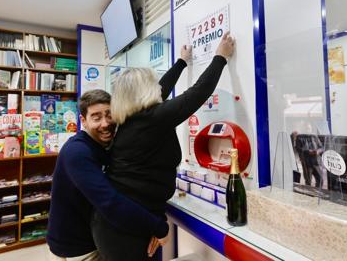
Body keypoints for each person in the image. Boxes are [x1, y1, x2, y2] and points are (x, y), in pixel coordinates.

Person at [91, 32, 235, 260]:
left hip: (120, 221)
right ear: (143, 93)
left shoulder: (131, 119)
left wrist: (181, 63)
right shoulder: (151, 120)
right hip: (126, 230)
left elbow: (162, 89)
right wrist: (220, 57)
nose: (156, 88)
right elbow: (196, 94)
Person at [47, 90, 169, 261]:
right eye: (96, 118)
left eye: (109, 115)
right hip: (76, 248)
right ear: (83, 121)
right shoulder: (77, 152)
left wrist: (156, 217)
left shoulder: (106, 146)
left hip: (96, 235)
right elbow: (110, 202)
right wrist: (158, 226)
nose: (105, 123)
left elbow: (128, 185)